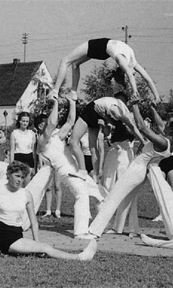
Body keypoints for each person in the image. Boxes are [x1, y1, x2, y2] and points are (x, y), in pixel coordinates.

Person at [86, 101, 173, 238]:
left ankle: (94, 230)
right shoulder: (168, 140)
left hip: (136, 171)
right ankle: (121, 228)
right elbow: (157, 124)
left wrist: (135, 105)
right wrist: (151, 107)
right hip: (139, 170)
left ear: (172, 130)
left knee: (113, 197)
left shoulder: (163, 142)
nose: (165, 124)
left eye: (168, 124)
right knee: (126, 200)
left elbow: (142, 127)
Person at [35, 91, 106, 239]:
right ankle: (80, 232)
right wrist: (55, 102)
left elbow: (70, 121)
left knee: (98, 195)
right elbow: (52, 123)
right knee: (81, 194)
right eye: (42, 124)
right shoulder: (41, 142)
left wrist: (71, 102)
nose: (46, 125)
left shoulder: (56, 136)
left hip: (77, 169)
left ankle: (99, 226)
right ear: (38, 128)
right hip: (65, 171)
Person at [49, 38, 160, 102]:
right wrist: (157, 97)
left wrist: (135, 91)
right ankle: (73, 92)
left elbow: (130, 75)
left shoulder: (122, 61)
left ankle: (54, 91)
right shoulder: (133, 63)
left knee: (65, 60)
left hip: (101, 46)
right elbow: (148, 79)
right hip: (104, 51)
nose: (134, 74)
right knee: (75, 64)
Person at [68, 92, 146, 181]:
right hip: (97, 111)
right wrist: (142, 141)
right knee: (92, 147)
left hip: (92, 111)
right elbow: (133, 127)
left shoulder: (120, 113)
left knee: (73, 141)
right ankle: (95, 176)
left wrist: (142, 141)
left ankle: (83, 172)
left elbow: (132, 128)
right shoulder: (122, 114)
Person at [152, 117, 173, 222]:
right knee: (161, 190)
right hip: (162, 161)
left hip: (172, 162)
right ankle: (162, 214)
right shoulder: (163, 135)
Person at [9, 111, 36, 187]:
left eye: (27, 121)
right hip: (18, 160)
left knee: (27, 185)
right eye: (23, 121)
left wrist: (34, 166)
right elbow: (12, 150)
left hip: (29, 160)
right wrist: (11, 165)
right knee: (18, 185)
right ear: (19, 121)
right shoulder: (14, 133)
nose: (25, 123)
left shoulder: (32, 133)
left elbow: (34, 151)